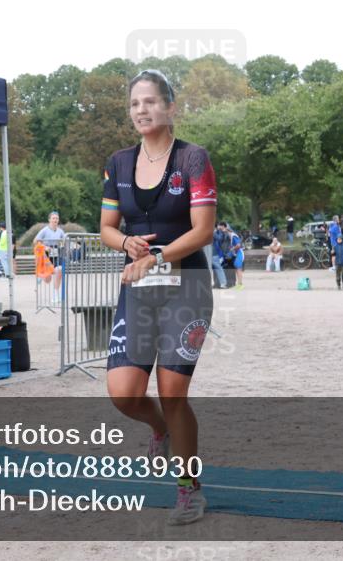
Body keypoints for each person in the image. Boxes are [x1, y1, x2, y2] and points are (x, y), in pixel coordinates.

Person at [100, 68, 216, 525]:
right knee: (123, 394)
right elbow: (108, 227)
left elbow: (203, 230)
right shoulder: (118, 162)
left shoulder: (193, 159)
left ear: (170, 107)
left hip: (186, 286)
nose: (141, 110)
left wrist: (158, 256)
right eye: (134, 104)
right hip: (138, 289)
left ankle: (190, 491)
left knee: (173, 392)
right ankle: (159, 429)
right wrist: (125, 244)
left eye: (150, 102)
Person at [211, 222, 230, 289]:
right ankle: (223, 283)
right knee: (218, 268)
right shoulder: (212, 232)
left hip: (208, 253)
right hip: (213, 253)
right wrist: (221, 231)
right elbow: (220, 239)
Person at [227, 224, 245, 290]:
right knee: (237, 268)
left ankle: (240, 284)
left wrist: (232, 249)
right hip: (237, 254)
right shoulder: (231, 236)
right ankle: (239, 284)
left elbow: (238, 245)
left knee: (238, 268)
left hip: (239, 253)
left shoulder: (233, 235)